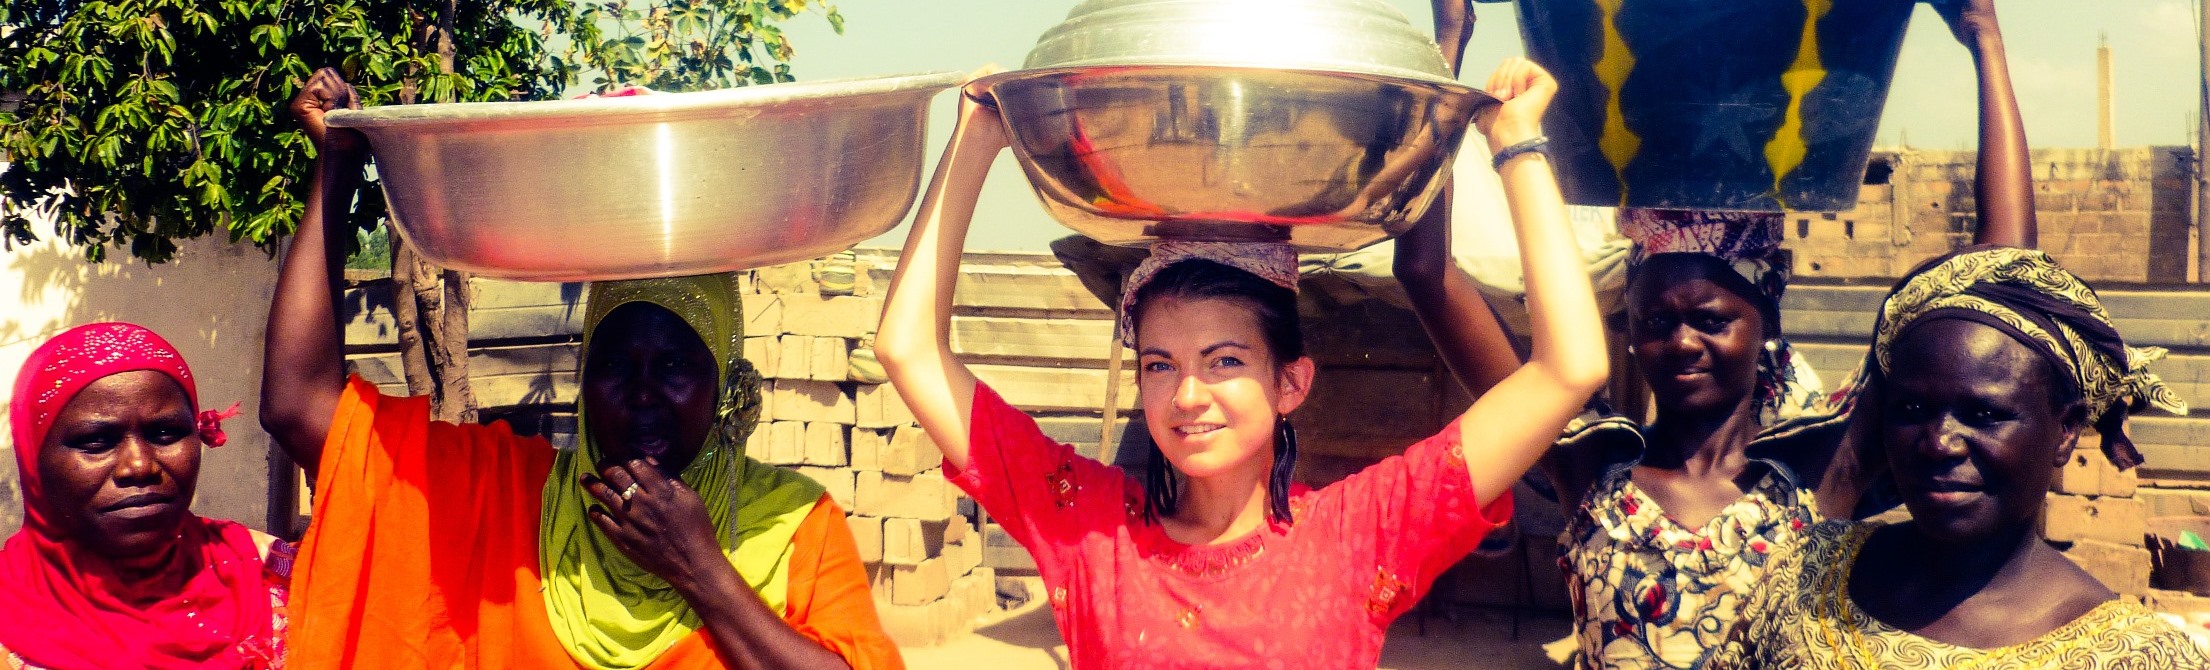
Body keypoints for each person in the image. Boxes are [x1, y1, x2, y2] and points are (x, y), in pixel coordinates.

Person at [873, 57, 1609, 668]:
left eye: (1223, 360)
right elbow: (906, 348)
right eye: (1159, 365)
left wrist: (1516, 144)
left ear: (1291, 381)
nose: (1187, 394)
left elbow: (1568, 368)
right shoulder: (1088, 528)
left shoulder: (1364, 533)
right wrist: (977, 136)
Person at [1396, 0, 2043, 667]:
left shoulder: (1819, 468)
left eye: (1710, 320)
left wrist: (1982, 37)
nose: (1680, 343)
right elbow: (1424, 272)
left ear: (1766, 312)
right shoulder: (1590, 464)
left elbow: (2002, 270)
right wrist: (1451, 40)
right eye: (1655, 322)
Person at [261, 69, 900, 670]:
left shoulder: (793, 526)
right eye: (615, 363)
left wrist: (699, 569)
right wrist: (339, 167)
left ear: (726, 382)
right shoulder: (511, 495)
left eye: (676, 363)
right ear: (583, 379)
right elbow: (298, 406)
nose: (644, 392)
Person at [1704, 246, 2206, 669]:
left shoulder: (2134, 655)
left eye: (1984, 414)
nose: (1939, 442)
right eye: (1912, 408)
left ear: (2066, 431)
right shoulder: (1806, 574)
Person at [0, 322, 288, 669]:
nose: (139, 466)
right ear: (33, 459)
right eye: (95, 441)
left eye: (165, 433)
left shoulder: (272, 574)